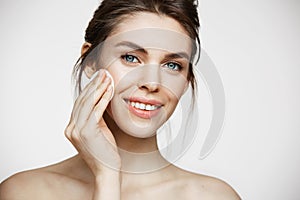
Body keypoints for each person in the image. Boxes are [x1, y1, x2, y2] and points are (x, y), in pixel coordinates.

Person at [0, 0, 240, 199]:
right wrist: (106, 176)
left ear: (187, 79)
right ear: (91, 61)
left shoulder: (214, 196)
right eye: (131, 58)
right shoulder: (24, 192)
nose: (152, 83)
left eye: (172, 65)